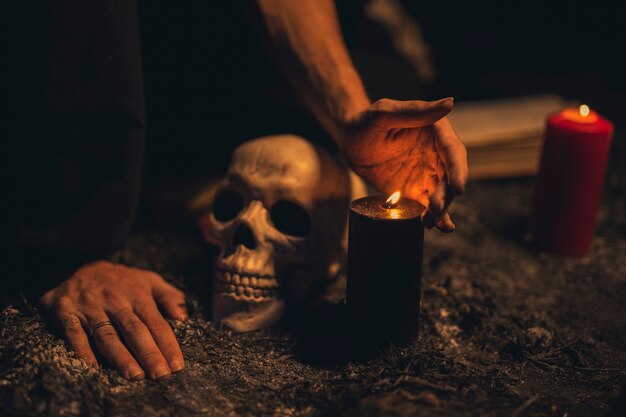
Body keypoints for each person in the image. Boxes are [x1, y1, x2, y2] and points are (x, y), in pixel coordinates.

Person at [5, 0, 467, 381]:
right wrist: (67, 239)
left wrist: (349, 114)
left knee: (393, 81)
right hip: (130, 36)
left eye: (287, 218)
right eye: (231, 206)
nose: (243, 235)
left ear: (338, 255)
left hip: (225, 38)